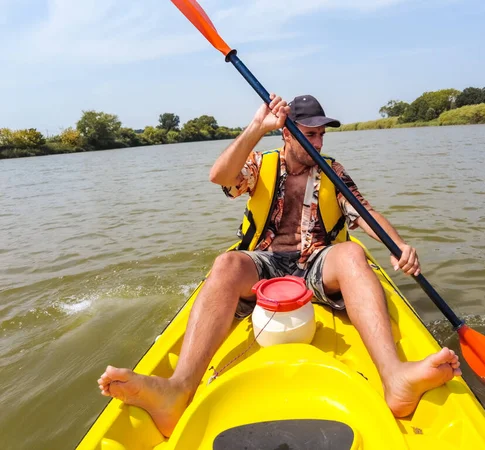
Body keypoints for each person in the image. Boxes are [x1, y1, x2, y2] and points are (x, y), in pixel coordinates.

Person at [98, 94, 461, 437]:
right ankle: (177, 390)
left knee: (353, 254)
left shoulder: (332, 171)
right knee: (225, 264)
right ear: (287, 133)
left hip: (318, 260)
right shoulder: (261, 163)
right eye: (310, 135)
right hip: (267, 262)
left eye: (322, 135)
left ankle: (395, 376)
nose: (319, 144)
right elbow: (220, 177)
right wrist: (257, 126)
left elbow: (363, 213)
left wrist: (397, 246)